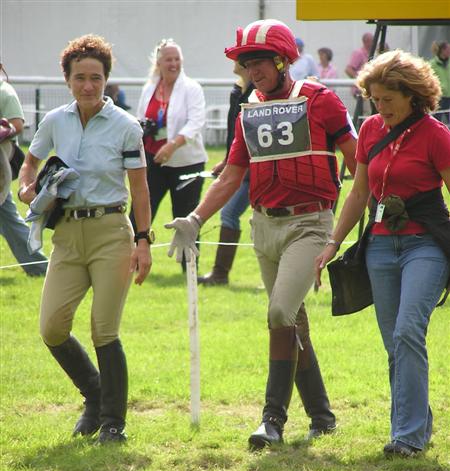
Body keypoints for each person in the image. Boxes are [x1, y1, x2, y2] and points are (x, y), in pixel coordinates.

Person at [166, 19, 357, 449]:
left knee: (278, 315)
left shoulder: (320, 100)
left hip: (310, 223)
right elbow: (233, 173)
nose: (253, 70)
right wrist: (195, 219)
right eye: (246, 63)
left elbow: (357, 159)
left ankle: (272, 419)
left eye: (260, 61)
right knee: (294, 320)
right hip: (263, 226)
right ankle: (323, 416)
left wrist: (372, 210)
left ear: (282, 59)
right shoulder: (249, 105)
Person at [316, 50, 450, 458]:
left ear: (412, 95)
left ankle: (406, 437)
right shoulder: (370, 131)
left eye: (388, 99)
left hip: (424, 246)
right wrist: (333, 243)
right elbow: (359, 193)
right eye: (375, 99)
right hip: (378, 248)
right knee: (396, 343)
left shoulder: (437, 136)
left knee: (409, 330)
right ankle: (416, 426)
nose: (380, 107)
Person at [18, 34, 152, 443]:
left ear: (107, 79)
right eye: (80, 78)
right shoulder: (55, 120)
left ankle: (113, 421)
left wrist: (143, 241)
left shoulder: (127, 127)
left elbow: (141, 189)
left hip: (112, 232)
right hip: (67, 236)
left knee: (103, 329)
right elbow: (30, 163)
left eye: (96, 77)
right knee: (52, 327)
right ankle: (94, 396)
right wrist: (27, 189)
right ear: (68, 79)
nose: (88, 85)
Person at [134, 38, 207, 268]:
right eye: (168, 59)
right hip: (154, 160)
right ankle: (129, 258)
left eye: (177, 59)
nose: (173, 63)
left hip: (187, 163)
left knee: (185, 216)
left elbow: (196, 124)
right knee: (141, 211)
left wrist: (172, 145)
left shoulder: (192, 88)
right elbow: (139, 121)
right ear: (159, 62)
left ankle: (190, 269)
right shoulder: (149, 88)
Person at [197, 61, 253, 285]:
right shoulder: (239, 91)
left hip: (252, 170)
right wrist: (226, 161)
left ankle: (220, 274)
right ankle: (220, 274)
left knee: (229, 214)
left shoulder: (255, 95)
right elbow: (235, 136)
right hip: (240, 166)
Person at [0, 59, 47, 276]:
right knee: (10, 221)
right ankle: (39, 267)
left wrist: (4, 131)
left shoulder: (4, 91)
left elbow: (17, 124)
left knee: (10, 221)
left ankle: (40, 267)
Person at [429, 41, 450, 124]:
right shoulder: (432, 64)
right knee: (437, 120)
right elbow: (430, 78)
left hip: (449, 95)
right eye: (448, 50)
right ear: (443, 50)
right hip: (440, 97)